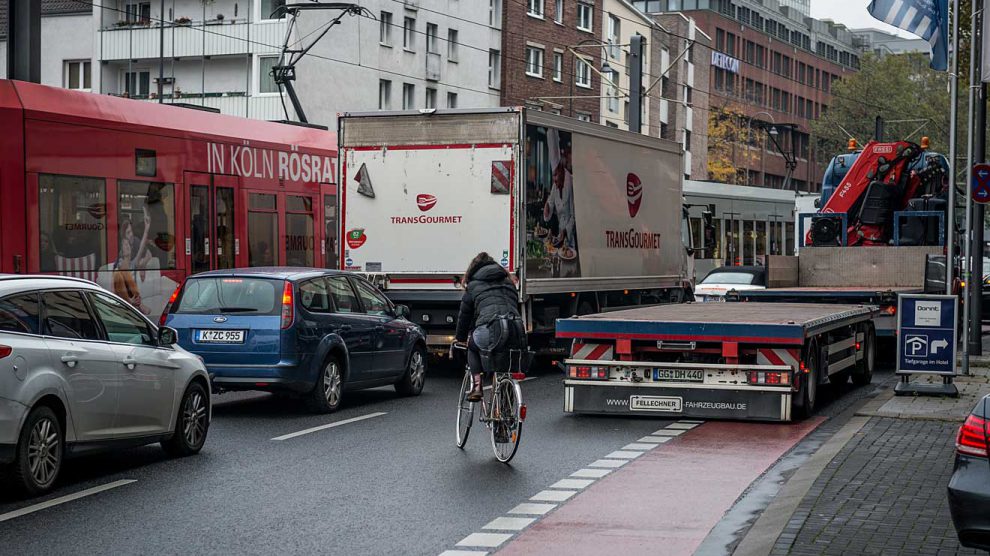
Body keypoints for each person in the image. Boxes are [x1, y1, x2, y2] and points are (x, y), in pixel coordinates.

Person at [453, 253, 526, 402]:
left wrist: (460, 338)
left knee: (472, 346)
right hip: (516, 328)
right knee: (507, 356)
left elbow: (465, 316)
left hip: (490, 327)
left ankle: (477, 387)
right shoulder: (509, 283)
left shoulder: (473, 286)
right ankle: (507, 400)